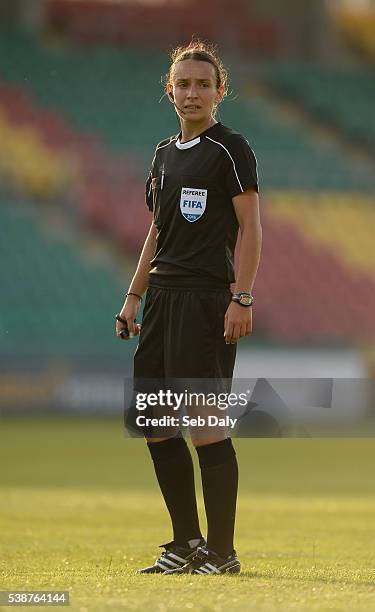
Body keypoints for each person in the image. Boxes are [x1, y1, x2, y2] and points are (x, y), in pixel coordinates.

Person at [116, 39, 262, 575]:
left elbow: (251, 227)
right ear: (169, 89)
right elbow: (158, 230)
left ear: (220, 91)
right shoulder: (161, 154)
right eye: (183, 83)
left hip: (206, 300)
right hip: (161, 300)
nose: (192, 92)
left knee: (204, 424)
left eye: (203, 84)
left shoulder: (230, 148)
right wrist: (134, 296)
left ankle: (222, 553)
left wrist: (240, 296)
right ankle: (184, 544)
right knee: (157, 422)